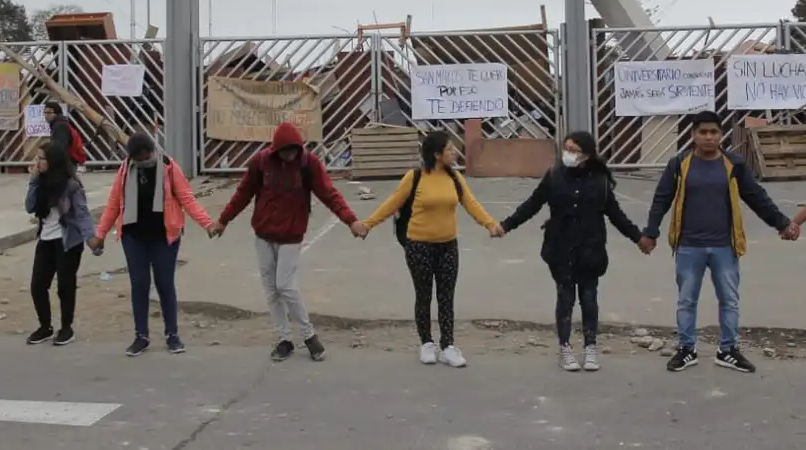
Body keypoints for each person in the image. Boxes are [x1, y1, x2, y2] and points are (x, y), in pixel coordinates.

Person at [641, 110, 796, 374]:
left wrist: (781, 223)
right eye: (703, 132)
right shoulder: (679, 164)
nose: (709, 137)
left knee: (729, 300)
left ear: (720, 134)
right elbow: (661, 199)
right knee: (687, 300)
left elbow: (756, 196)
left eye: (714, 132)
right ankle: (687, 349)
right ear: (693, 135)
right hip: (689, 246)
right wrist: (650, 232)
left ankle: (728, 350)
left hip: (725, 246)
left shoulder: (733, 165)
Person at [209, 122, 366, 363]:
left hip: (292, 236)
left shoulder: (309, 164)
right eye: (285, 151)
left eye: (294, 150)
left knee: (285, 285)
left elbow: (329, 194)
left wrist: (351, 221)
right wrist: (223, 221)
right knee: (271, 289)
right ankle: (284, 339)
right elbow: (243, 193)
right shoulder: (261, 163)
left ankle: (309, 335)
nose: (290, 155)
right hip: (263, 234)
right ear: (276, 149)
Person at [499, 131, 643, 372]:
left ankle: (590, 347)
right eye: (566, 148)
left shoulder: (600, 181)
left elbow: (615, 214)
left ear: (587, 154)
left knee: (589, 297)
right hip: (560, 246)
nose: (568, 154)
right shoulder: (554, 175)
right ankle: (565, 347)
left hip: (591, 247)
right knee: (565, 297)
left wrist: (639, 238)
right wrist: (506, 225)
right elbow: (533, 204)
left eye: (574, 150)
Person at [361, 131, 500, 368]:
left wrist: (490, 224)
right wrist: (367, 224)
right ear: (436, 154)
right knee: (424, 295)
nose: (455, 152)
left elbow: (470, 202)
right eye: (449, 149)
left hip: (448, 246)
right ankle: (426, 343)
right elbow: (391, 203)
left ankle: (447, 346)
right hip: (419, 246)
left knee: (446, 297)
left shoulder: (455, 178)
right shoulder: (415, 177)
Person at [91, 132, 216, 357]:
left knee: (164, 283)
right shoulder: (125, 170)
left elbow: (187, 198)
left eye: (146, 155)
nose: (143, 160)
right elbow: (113, 203)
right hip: (134, 236)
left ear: (152, 151)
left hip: (164, 236)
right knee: (139, 285)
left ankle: (172, 335)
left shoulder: (168, 167)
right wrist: (100, 233)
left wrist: (206, 223)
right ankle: (141, 336)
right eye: (138, 158)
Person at [24, 142, 99, 346]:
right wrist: (33, 180)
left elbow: (82, 214)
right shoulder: (40, 183)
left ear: (53, 161)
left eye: (42, 158)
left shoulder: (71, 186)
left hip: (68, 241)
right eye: (37, 158)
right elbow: (30, 207)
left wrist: (91, 238)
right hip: (46, 239)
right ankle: (45, 326)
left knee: (65, 286)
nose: (38, 162)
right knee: (38, 285)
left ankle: (66, 328)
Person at [44, 102, 86, 168]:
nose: (46, 115)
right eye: (45, 113)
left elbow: (60, 146)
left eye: (49, 113)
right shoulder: (60, 123)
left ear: (57, 113)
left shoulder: (59, 126)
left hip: (66, 163)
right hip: (69, 161)